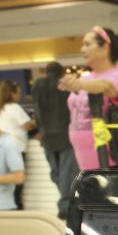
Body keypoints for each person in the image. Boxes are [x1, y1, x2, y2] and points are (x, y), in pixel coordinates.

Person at [61, 27, 118, 171]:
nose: (82, 49)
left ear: (105, 47)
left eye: (88, 44)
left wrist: (80, 84)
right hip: (84, 163)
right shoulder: (85, 78)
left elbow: (106, 87)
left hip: (112, 163)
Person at [32, 62, 80, 218]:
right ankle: (66, 206)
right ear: (61, 72)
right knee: (68, 172)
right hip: (66, 135)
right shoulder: (63, 86)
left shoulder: (37, 86)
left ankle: (65, 203)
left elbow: (36, 110)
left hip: (46, 136)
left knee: (57, 173)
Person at [0, 80, 35, 209]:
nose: (19, 96)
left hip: (0, 149)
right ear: (11, 93)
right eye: (18, 93)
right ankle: (16, 207)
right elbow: (28, 126)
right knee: (17, 181)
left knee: (6, 181)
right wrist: (37, 121)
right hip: (16, 148)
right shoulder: (14, 108)